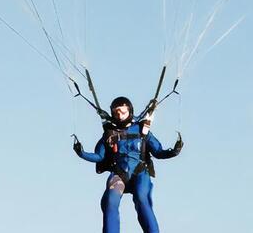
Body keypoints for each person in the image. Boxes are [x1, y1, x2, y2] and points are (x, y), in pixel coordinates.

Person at [73, 96, 183, 233]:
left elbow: (158, 152)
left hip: (140, 172)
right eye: (116, 112)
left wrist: (174, 151)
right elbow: (99, 156)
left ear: (129, 111)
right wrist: (81, 153)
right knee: (110, 200)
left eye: (122, 112)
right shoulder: (109, 134)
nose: (119, 115)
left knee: (141, 198)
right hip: (119, 173)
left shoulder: (142, 131)